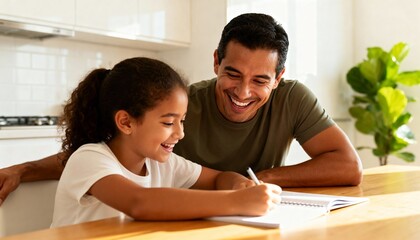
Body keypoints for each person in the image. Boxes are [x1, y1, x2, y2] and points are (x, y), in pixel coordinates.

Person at [0, 13, 362, 206]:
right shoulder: (180, 103)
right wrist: (23, 168)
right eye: (232, 73)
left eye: (260, 80)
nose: (243, 91)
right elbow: (104, 153)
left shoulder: (293, 97)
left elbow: (348, 166)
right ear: (216, 61)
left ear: (279, 77)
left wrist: (258, 182)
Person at [49, 57, 281, 227]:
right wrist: (236, 201)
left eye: (182, 121)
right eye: (169, 123)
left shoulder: (161, 163)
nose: (180, 133)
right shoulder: (90, 158)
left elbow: (220, 177)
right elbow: (139, 203)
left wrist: (240, 186)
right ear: (126, 122)